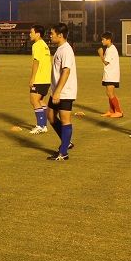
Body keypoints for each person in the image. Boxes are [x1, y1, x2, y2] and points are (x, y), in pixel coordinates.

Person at [46, 23, 77, 160]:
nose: (50, 36)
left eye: (52, 33)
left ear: (60, 35)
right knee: (50, 116)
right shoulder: (60, 49)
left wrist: (58, 91)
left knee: (65, 120)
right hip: (57, 91)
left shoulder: (66, 50)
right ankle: (66, 142)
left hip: (65, 92)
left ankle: (63, 152)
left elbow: (66, 71)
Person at [27, 25, 51, 134]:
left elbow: (36, 62)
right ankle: (44, 125)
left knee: (34, 100)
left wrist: (32, 78)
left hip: (39, 78)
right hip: (46, 78)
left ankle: (40, 125)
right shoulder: (44, 45)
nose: (30, 34)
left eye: (31, 32)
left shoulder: (36, 45)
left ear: (38, 34)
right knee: (40, 100)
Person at [98, 31, 123, 118]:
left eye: (103, 39)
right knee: (109, 93)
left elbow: (106, 62)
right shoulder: (109, 48)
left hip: (112, 75)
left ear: (109, 40)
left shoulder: (111, 49)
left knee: (110, 93)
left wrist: (101, 54)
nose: (102, 41)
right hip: (109, 74)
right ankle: (111, 111)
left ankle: (118, 111)